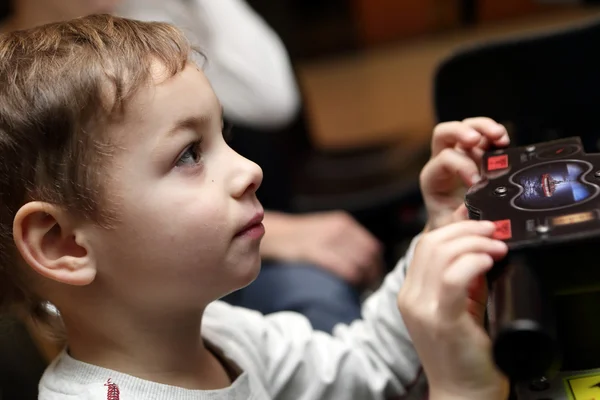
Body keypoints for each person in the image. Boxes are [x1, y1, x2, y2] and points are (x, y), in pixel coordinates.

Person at [0, 14, 510, 399]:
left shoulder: (222, 333)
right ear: (62, 243)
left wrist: (440, 232)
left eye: (224, 137)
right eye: (189, 155)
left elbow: (368, 364)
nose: (249, 170)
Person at [1, 0, 384, 333]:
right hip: (103, 306)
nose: (251, 170)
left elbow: (270, 99)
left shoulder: (145, 31)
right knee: (311, 293)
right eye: (189, 154)